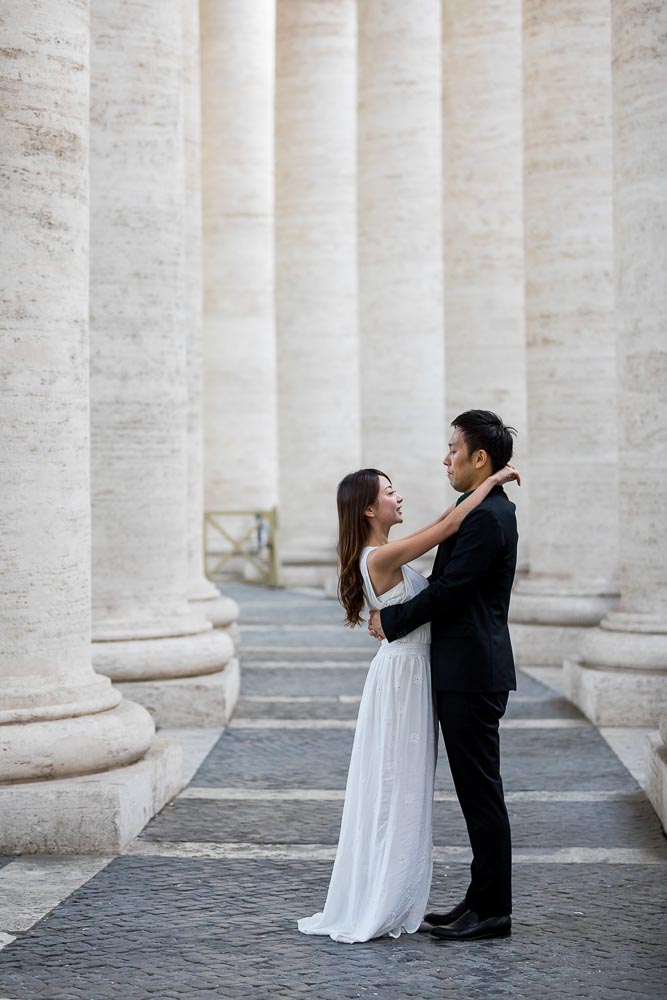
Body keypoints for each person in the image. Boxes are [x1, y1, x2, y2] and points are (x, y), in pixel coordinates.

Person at [297, 452, 520, 944]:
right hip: (402, 678)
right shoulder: (380, 556)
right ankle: (387, 895)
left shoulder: (387, 549)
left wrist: (483, 487)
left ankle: (436, 895)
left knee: (408, 783)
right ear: (368, 511)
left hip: (413, 673)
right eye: (389, 491)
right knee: (397, 784)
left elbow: (445, 520)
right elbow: (449, 526)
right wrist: (495, 480)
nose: (399, 496)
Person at [369, 409, 519, 942]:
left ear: (480, 458)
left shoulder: (488, 517)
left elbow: (450, 589)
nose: (445, 458)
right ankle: (479, 899)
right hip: (464, 669)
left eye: (453, 450)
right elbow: (445, 558)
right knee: (475, 791)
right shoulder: (477, 507)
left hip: (472, 673)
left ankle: (494, 909)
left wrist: (392, 620)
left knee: (481, 793)